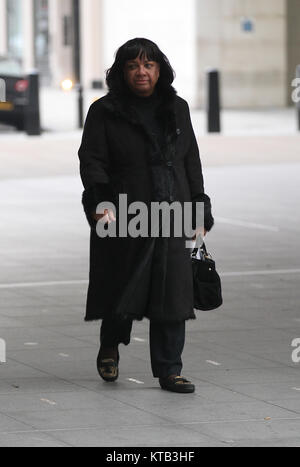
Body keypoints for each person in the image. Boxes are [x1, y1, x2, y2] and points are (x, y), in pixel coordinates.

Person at [78, 38, 214, 394]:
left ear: (159, 70)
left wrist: (199, 207)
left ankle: (170, 370)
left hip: (174, 212)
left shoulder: (177, 107)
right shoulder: (104, 111)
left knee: (173, 293)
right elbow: (92, 161)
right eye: (133, 65)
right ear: (121, 72)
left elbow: (191, 161)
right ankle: (111, 343)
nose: (142, 72)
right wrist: (102, 202)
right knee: (123, 288)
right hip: (125, 214)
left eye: (149, 65)